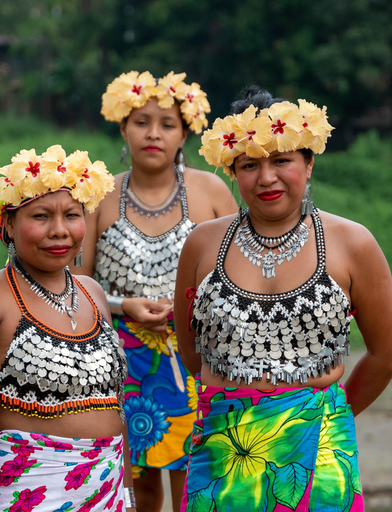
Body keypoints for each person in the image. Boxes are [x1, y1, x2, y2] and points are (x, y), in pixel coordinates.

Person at [174, 86, 392, 512]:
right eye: (249, 165)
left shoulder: (352, 243)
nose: (266, 178)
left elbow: (388, 353)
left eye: (281, 160)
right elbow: (191, 350)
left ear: (309, 162)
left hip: (320, 447)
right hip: (223, 448)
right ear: (232, 169)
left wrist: (326, 415)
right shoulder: (202, 244)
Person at [75, 71, 237, 512]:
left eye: (167, 124)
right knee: (138, 487)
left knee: (196, 482)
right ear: (122, 128)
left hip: (198, 358)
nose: (153, 133)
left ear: (185, 132)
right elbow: (78, 285)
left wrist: (194, 309)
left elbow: (240, 276)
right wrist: (120, 305)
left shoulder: (213, 192)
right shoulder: (99, 197)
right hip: (123, 362)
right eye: (141, 121)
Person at [0, 144, 138, 512]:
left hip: (108, 489)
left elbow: (117, 407)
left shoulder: (92, 293)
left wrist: (126, 497)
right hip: (29, 491)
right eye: (41, 216)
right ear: (9, 224)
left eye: (72, 214)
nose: (60, 230)